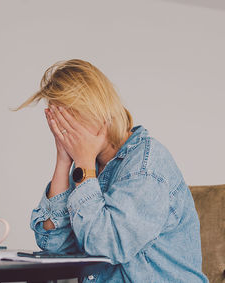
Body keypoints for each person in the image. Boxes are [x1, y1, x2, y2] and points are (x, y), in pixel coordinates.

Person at [16, 59, 208, 282]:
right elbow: (56, 246)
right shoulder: (90, 167)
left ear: (97, 109)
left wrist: (84, 166)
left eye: (70, 118)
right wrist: (63, 161)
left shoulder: (145, 165)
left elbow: (107, 247)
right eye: (59, 122)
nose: (65, 130)